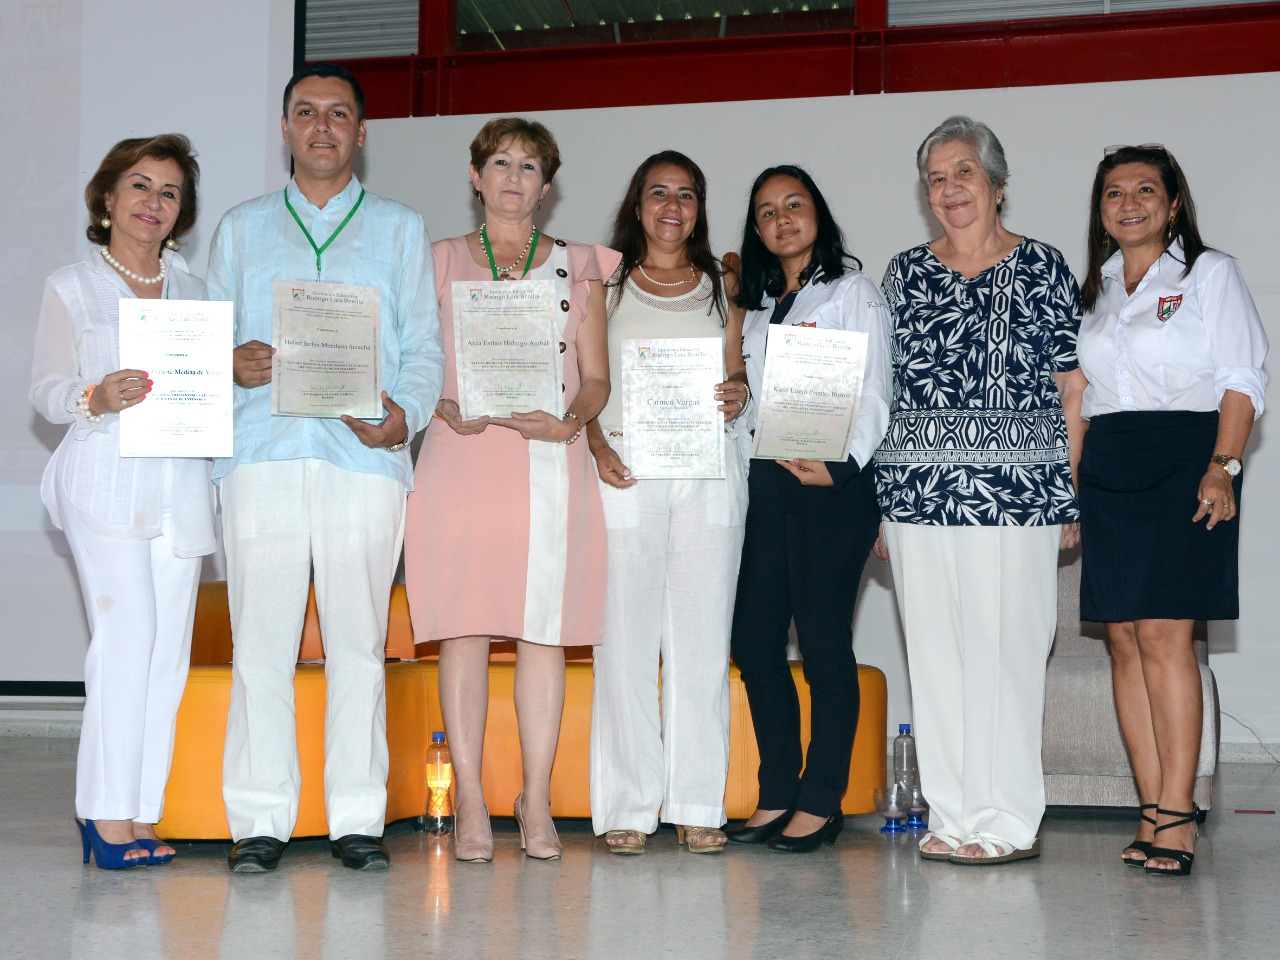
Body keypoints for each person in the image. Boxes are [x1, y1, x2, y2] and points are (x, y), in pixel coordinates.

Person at [208, 62, 444, 873]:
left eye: (338, 114)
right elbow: (209, 340)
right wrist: (226, 362)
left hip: (361, 462)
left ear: (362, 132)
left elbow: (423, 350)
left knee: (358, 644)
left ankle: (357, 819)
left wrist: (404, 416)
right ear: (284, 129)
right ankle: (260, 821)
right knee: (261, 647)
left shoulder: (400, 227)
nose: (321, 126)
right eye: (305, 112)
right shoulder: (239, 229)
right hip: (261, 457)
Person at [403, 117, 618, 863]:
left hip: (547, 461)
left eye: (529, 166)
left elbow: (595, 381)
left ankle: (535, 796)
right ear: (475, 175)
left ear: (547, 185)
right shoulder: (434, 262)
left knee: (542, 632)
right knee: (462, 625)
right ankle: (467, 797)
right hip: (461, 459)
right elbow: (411, 359)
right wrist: (435, 402)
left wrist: (569, 423)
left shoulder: (576, 264)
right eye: (500, 162)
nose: (513, 177)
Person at [874, 116, 1086, 865]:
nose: (950, 189)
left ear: (996, 184)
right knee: (933, 655)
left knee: (1009, 653)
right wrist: (878, 507)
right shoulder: (901, 273)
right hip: (917, 494)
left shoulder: (1045, 266)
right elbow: (880, 393)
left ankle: (1007, 821)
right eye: (937, 178)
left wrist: (1069, 495)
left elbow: (1071, 388)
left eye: (964, 172)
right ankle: (955, 815)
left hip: (1019, 494)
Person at [1076, 144, 1267, 877]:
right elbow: (1084, 396)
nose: (1129, 203)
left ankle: (1180, 812)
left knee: (1166, 636)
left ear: (1174, 202)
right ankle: (1151, 804)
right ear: (1100, 210)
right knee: (1123, 639)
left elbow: (1243, 377)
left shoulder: (1210, 274)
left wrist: (1223, 467)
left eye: (1145, 190)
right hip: (1110, 462)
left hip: (1189, 458)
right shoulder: (1091, 289)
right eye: (1114, 192)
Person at [30, 134, 212, 869]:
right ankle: (102, 814)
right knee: (126, 641)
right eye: (139, 186)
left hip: (180, 486)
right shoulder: (72, 286)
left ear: (180, 213)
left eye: (168, 193)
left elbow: (200, 385)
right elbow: (44, 392)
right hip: (103, 481)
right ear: (107, 199)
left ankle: (140, 811)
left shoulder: (196, 291)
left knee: (165, 658)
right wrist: (93, 394)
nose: (153, 203)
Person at [586, 151, 750, 855]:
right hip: (625, 471)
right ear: (638, 203)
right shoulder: (605, 282)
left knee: (703, 639)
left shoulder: (724, 285)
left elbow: (737, 370)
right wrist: (595, 445)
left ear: (699, 208)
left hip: (708, 473)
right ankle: (625, 804)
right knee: (623, 640)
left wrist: (738, 390)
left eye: (686, 195)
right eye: (659, 193)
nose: (672, 207)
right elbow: (584, 381)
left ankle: (696, 802)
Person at [725, 165, 892, 853]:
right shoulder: (758, 305)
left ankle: (821, 798)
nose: (782, 219)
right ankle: (776, 790)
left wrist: (843, 462)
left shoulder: (854, 291)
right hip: (768, 483)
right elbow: (760, 402)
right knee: (756, 642)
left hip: (834, 487)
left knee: (823, 643)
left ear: (817, 213)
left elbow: (877, 387)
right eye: (767, 211)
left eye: (794, 205)